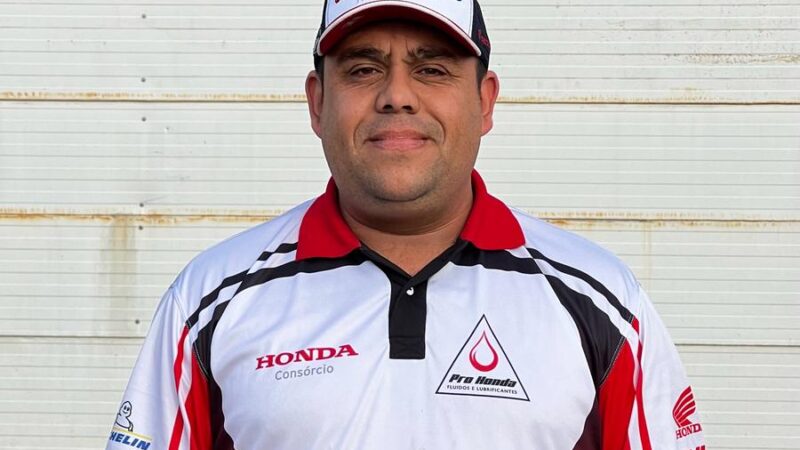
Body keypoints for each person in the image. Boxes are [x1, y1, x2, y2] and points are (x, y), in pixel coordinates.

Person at [106, 1, 707, 449]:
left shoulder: (601, 300)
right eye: (363, 69)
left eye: (433, 69)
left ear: (485, 101)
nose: (397, 95)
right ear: (317, 102)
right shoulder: (208, 298)